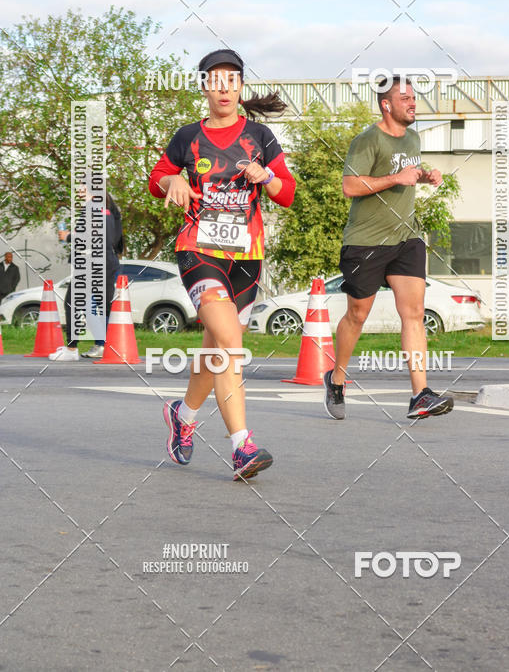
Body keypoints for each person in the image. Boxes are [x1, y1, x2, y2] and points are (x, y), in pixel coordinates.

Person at [149, 49, 296, 481]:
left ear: (241, 87)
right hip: (199, 250)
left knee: (216, 350)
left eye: (232, 80)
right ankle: (242, 447)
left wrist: (265, 177)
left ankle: (184, 415)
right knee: (230, 342)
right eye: (216, 80)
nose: (224, 88)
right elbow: (156, 179)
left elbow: (286, 193)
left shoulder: (260, 136)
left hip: (246, 260)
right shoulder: (187, 137)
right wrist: (174, 179)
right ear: (205, 88)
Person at [323, 75, 454, 421]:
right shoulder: (367, 140)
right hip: (365, 243)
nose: (413, 103)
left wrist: (423, 175)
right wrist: (397, 179)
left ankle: (419, 394)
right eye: (405, 98)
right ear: (386, 104)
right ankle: (336, 379)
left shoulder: (413, 138)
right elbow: (350, 186)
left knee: (413, 313)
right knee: (357, 316)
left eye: (414, 97)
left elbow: (406, 171)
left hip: (405, 238)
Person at [50, 190, 124, 360]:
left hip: (93, 262)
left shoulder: (95, 207)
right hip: (102, 261)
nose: (78, 191)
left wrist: (69, 236)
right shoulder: (107, 208)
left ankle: (72, 349)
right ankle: (104, 345)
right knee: (99, 307)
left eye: (82, 187)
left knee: (74, 303)